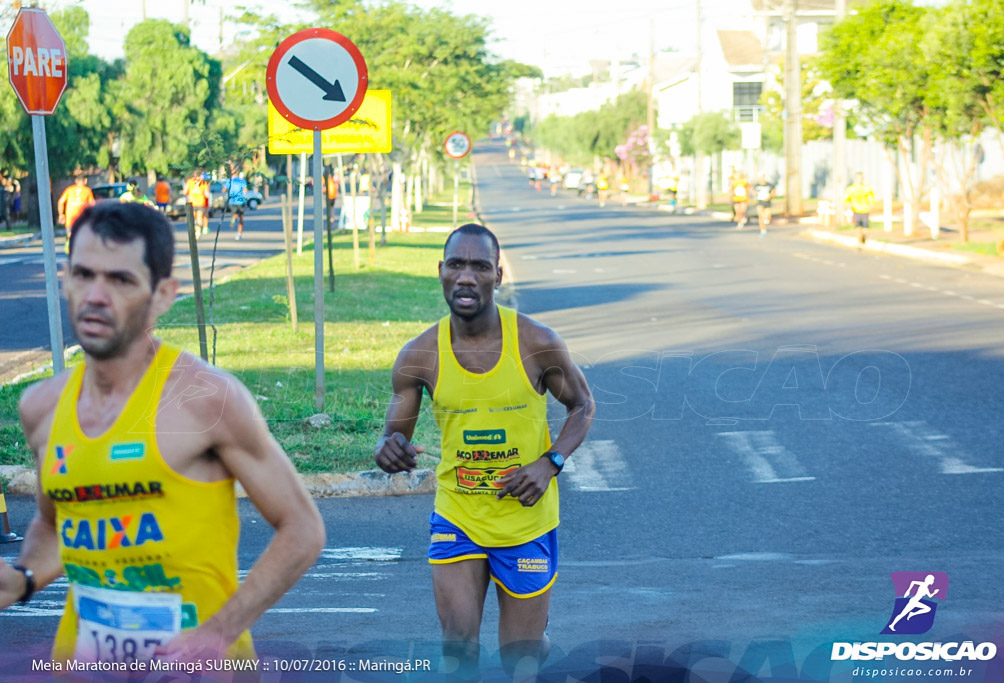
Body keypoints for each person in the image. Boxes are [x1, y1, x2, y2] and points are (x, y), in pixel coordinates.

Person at [0, 202, 325, 664]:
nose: (95, 295)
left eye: (120, 280)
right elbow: (56, 524)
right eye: (84, 274)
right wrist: (24, 577)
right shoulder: (41, 408)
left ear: (163, 295)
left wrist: (217, 633)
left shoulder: (208, 399)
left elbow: (303, 528)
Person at [375, 223, 595, 678]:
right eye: (456, 265)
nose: (466, 277)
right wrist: (388, 450)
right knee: (458, 648)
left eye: (479, 267)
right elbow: (392, 437)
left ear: (498, 274)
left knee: (520, 660)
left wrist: (550, 463)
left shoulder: (537, 342)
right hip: (458, 514)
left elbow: (583, 405)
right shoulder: (419, 355)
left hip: (525, 520)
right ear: (440, 271)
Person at [57, 174, 95, 253]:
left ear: (76, 181)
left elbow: (61, 201)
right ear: (85, 181)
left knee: (70, 235)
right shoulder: (87, 190)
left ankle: (70, 250)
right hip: (82, 217)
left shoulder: (69, 190)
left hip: (70, 217)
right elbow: (92, 204)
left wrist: (61, 214)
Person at [844, 172, 877, 245]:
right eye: (858, 178)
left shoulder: (867, 188)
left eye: (861, 178)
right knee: (859, 229)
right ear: (855, 179)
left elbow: (872, 198)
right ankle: (859, 243)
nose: (860, 180)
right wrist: (848, 206)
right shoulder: (851, 189)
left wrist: (871, 204)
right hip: (856, 210)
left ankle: (863, 238)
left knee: (865, 230)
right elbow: (847, 199)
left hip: (865, 210)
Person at [185, 170, 210, 237]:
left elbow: (185, 191)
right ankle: (198, 231)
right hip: (201, 202)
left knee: (193, 217)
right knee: (199, 217)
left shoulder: (189, 181)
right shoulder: (204, 183)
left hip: (191, 202)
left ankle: (193, 229)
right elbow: (207, 194)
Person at [227, 172, 248, 240]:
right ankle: (239, 233)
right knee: (241, 218)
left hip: (232, 201)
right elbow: (245, 190)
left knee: (235, 214)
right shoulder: (242, 181)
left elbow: (224, 189)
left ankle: (234, 218)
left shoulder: (229, 181)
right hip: (240, 201)